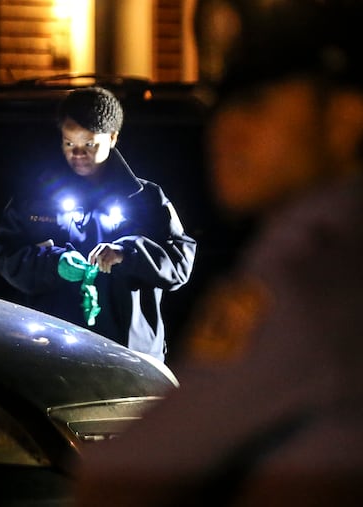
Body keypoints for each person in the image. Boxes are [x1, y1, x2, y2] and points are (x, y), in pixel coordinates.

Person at [75, 0, 363, 505]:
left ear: (344, 119)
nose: (227, 127)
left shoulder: (311, 265)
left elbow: (134, 471)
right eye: (219, 101)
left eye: (256, 102)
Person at [0, 86, 197, 362]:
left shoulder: (146, 198)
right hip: (54, 355)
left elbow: (180, 262)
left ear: (112, 138)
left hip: (131, 358)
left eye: (89, 144)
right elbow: (5, 254)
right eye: (68, 143)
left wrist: (127, 253)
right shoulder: (35, 197)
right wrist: (54, 263)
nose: (78, 154)